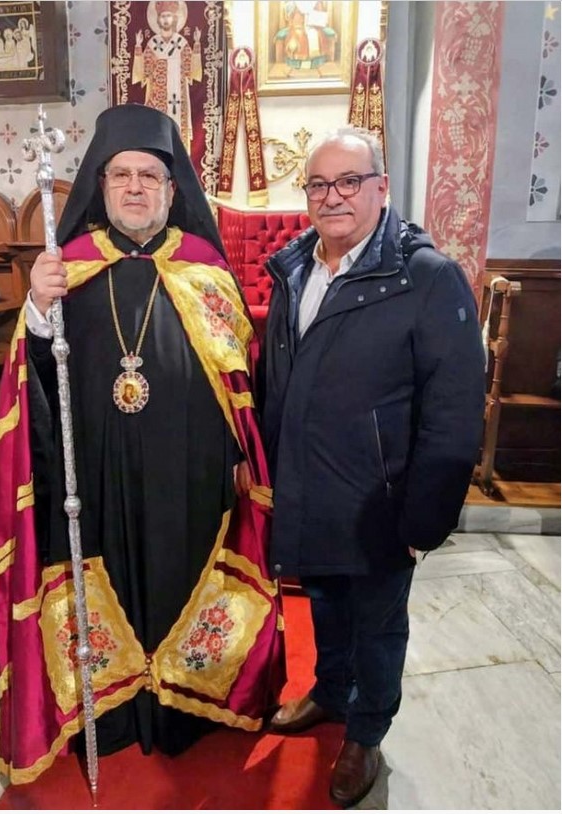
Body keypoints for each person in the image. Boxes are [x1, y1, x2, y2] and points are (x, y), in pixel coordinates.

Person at [0, 103, 285, 785]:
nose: (134, 187)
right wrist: (37, 310)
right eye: (120, 174)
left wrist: (241, 456)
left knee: (188, 574)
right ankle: (115, 709)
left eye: (149, 176)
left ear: (172, 190)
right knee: (108, 578)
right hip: (96, 472)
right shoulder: (67, 269)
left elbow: (241, 376)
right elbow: (31, 383)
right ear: (101, 185)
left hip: (192, 471)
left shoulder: (205, 268)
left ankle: (186, 709)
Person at [259, 126, 485, 808]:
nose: (332, 197)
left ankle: (366, 734)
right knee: (325, 605)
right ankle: (331, 693)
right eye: (319, 184)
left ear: (381, 188)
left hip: (379, 501)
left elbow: (454, 412)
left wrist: (425, 519)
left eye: (349, 181)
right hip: (309, 486)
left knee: (378, 626)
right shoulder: (294, 267)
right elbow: (278, 378)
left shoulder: (427, 277)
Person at [131, 0, 201, 153]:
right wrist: (138, 47)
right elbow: (143, 72)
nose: (166, 19)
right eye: (163, 16)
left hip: (179, 97)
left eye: (169, 16)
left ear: (174, 18)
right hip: (158, 97)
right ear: (158, 19)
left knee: (178, 132)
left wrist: (196, 45)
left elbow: (192, 71)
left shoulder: (181, 43)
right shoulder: (153, 44)